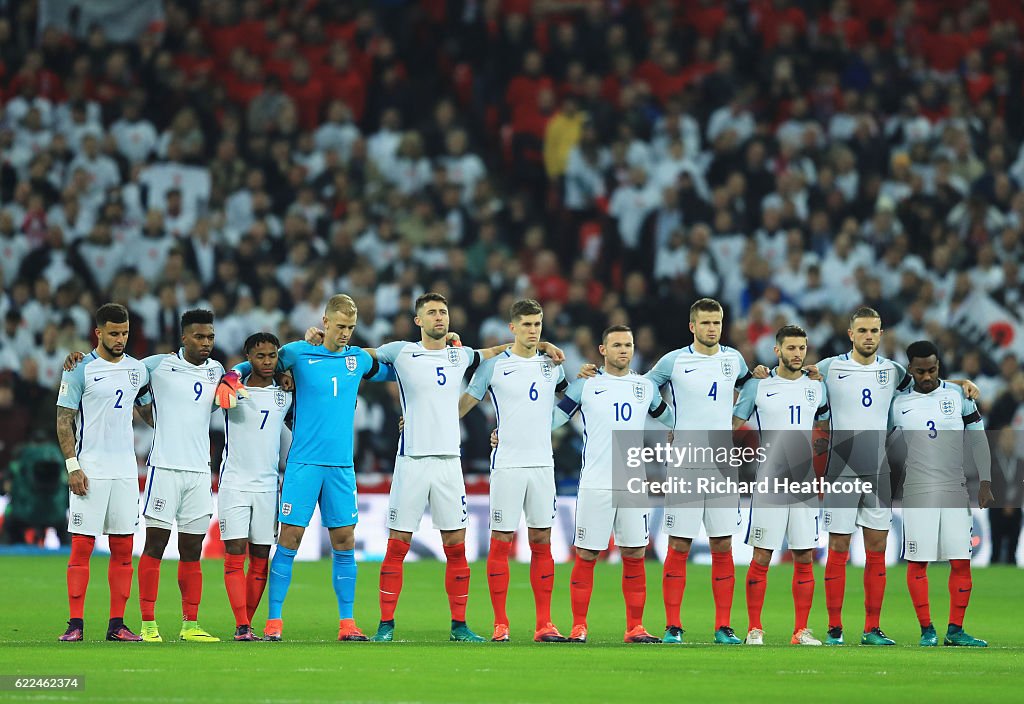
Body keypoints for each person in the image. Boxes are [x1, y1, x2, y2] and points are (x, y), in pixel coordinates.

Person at [368, 292, 563, 643]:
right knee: (397, 545)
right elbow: (362, 356)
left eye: (443, 311)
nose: (439, 317)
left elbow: (500, 350)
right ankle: (386, 624)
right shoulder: (401, 352)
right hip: (411, 461)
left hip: (448, 463)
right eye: (431, 313)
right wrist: (328, 345)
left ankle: (459, 626)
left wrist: (543, 342)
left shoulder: (461, 355)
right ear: (419, 321)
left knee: (456, 547)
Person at [68, 309, 225, 642]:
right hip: (162, 468)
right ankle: (147, 624)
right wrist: (77, 360)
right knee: (154, 546)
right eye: (199, 336)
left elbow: (233, 381)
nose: (206, 342)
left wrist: (239, 377)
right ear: (184, 338)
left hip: (199, 471)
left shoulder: (218, 371)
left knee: (191, 550)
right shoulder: (154, 365)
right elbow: (118, 374)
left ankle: (190, 625)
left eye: (210, 336)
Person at [244, 294, 391, 642]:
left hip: (341, 466)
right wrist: (237, 376)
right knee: (290, 538)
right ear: (325, 322)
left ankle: (348, 623)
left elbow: (396, 366)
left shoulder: (357, 359)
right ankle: (274, 621)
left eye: (351, 328)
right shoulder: (298, 353)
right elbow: (258, 365)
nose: (345, 334)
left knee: (344, 540)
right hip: (304, 463)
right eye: (340, 326)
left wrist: (445, 344)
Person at [554, 325, 675, 644]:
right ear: (602, 350)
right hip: (595, 480)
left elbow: (669, 417)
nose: (624, 349)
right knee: (587, 553)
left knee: (635, 552)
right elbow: (554, 418)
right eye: (617, 344)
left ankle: (635, 627)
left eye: (629, 345)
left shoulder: (644, 387)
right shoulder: (586, 385)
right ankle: (579, 626)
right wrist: (509, 431)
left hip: (632, 480)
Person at [459, 298, 570, 643]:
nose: (533, 331)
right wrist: (427, 423)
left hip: (542, 464)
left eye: (538, 325)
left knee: (541, 540)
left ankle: (544, 624)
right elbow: (467, 401)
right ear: (513, 328)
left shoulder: (553, 365)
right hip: (507, 463)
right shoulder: (494, 367)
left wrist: (552, 422)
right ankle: (501, 623)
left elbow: (571, 399)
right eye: (527, 325)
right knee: (502, 541)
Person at [643, 298, 750, 645]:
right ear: (692, 326)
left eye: (717, 322)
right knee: (679, 544)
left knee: (722, 544)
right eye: (705, 323)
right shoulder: (674, 361)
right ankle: (673, 625)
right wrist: (668, 419)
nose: (712, 328)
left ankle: (723, 626)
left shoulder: (733, 359)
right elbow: (642, 388)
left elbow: (752, 385)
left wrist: (737, 420)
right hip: (684, 464)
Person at [888, 340, 992, 647]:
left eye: (932, 369)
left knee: (961, 561)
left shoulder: (959, 395)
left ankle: (956, 630)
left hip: (955, 488)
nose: (927, 376)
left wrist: (985, 481)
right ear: (911, 370)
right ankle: (926, 630)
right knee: (918, 562)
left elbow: (979, 438)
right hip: (918, 489)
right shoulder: (897, 404)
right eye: (920, 371)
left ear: (938, 366)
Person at [55, 303, 148, 642]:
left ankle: (117, 625)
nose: (120, 338)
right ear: (98, 332)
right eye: (113, 333)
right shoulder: (79, 368)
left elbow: (151, 405)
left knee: (124, 549)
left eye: (124, 332)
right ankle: (75, 624)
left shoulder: (139, 370)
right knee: (82, 547)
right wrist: (73, 466)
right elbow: (64, 419)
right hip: (90, 470)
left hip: (125, 472)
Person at [733, 325, 830, 646]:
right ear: (777, 351)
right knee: (762, 556)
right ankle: (754, 629)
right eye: (790, 348)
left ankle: (800, 630)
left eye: (802, 348)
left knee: (804, 556)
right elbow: (733, 423)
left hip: (803, 485)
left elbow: (825, 425)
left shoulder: (817, 388)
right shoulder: (759, 385)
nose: (797, 354)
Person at [218, 332, 292, 641]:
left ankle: (246, 624)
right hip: (234, 482)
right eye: (259, 356)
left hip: (266, 486)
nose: (266, 361)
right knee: (235, 552)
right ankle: (242, 625)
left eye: (272, 356)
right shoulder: (232, 388)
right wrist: (239, 370)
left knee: (261, 556)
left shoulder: (286, 395)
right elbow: (225, 386)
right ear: (248, 357)